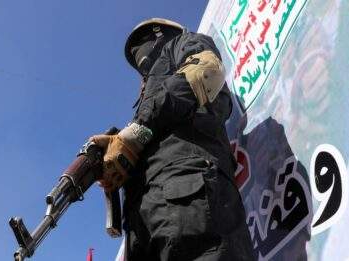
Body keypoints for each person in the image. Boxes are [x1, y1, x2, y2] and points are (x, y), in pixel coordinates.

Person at [90, 18, 254, 261]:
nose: (139, 53)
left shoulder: (182, 44)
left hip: (189, 196)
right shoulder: (145, 99)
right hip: (144, 221)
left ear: (162, 33)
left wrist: (136, 132)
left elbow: (206, 71)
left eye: (144, 40)